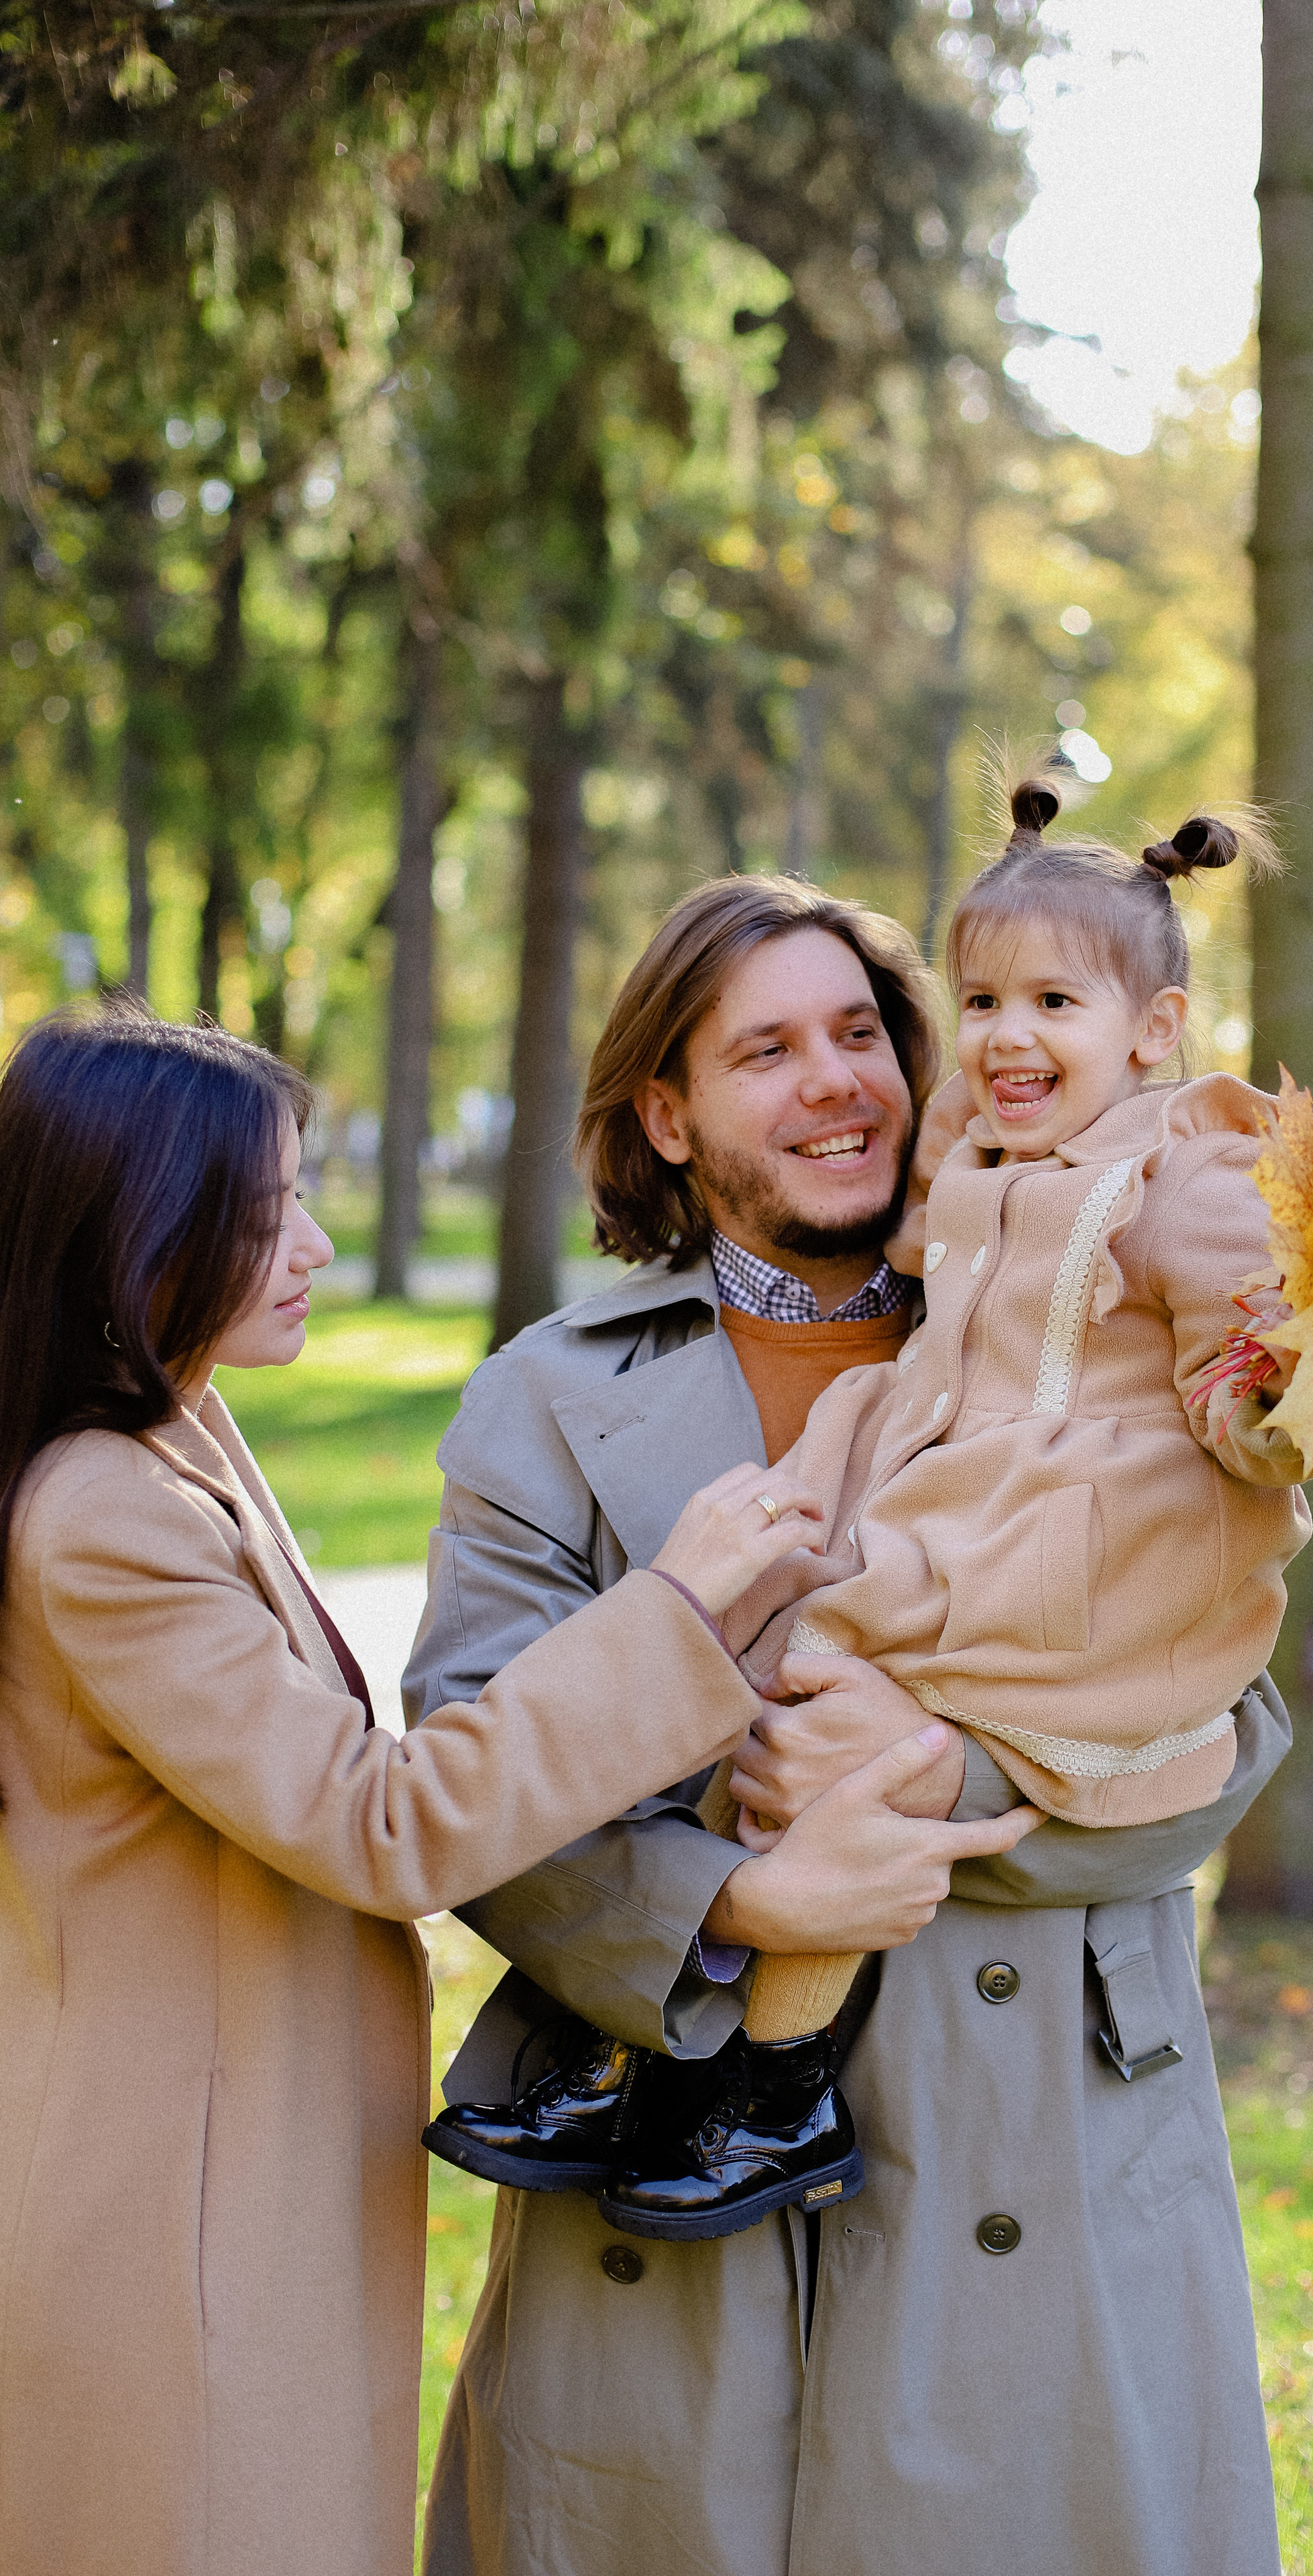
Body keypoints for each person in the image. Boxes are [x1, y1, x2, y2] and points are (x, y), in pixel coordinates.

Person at [411, 871, 1295, 2576]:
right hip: (672, 2150)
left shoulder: (1084, 1317)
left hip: (1039, 2118)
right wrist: (732, 1904)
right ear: (666, 1117)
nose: (834, 1081)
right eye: (763, 1051)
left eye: (858, 1035)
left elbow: (1229, 1728)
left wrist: (936, 1776)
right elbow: (465, 1767)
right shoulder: (548, 1397)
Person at [0, 1003, 924, 2576]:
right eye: (260, 1208)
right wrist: (679, 1612)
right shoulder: (104, 1512)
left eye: (303, 1192)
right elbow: (380, 1823)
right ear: (129, 1223)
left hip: (241, 2174)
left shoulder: (175, 1434)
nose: (309, 1240)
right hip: (175, 2212)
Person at [589, 777, 1312, 2238]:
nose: (1004, 1037)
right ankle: (672, 2063)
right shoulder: (980, 1149)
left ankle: (776, 2085)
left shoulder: (1188, 1171)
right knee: (774, 1661)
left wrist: (1270, 1404)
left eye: (1053, 1001)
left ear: (1151, 1033)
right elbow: (937, 1246)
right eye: (979, 1001)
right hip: (956, 1470)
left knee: (838, 1716)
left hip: (1081, 1532)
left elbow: (1244, 1394)